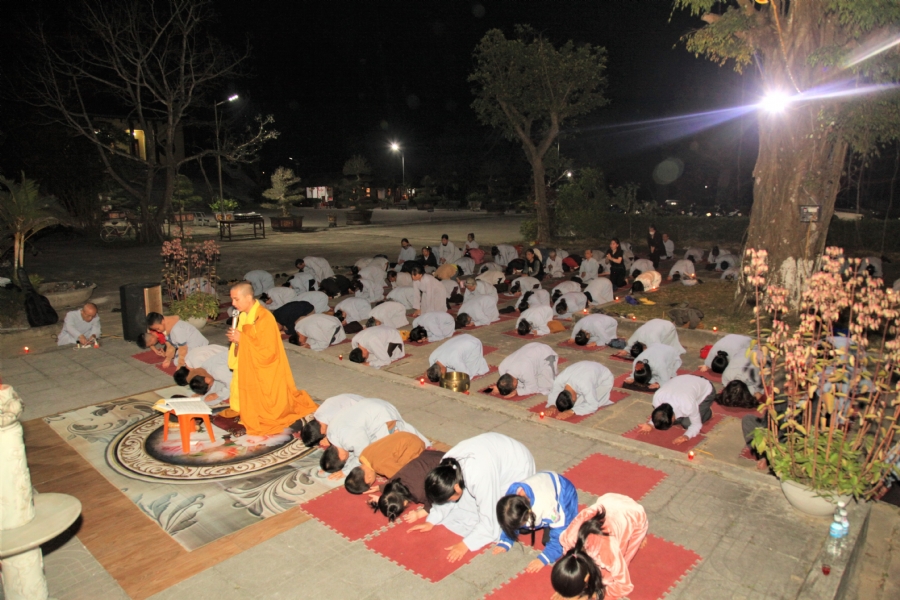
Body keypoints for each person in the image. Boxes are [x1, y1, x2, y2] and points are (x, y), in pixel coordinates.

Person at [410, 433, 535, 561]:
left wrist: (465, 544)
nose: (447, 501)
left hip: (517, 466)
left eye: (448, 499)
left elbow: (489, 518)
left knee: (501, 516)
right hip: (493, 455)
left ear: (457, 487)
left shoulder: (479, 475)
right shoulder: (445, 465)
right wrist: (432, 519)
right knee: (463, 506)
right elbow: (444, 493)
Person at [225, 282, 318, 435]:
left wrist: (243, 340)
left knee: (270, 411)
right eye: (232, 300)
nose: (233, 304)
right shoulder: (242, 316)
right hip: (248, 363)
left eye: (236, 299)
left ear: (248, 297)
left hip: (265, 367)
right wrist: (237, 341)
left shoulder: (265, 318)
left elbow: (268, 351)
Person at [552, 494, 649, 600]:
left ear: (587, 578)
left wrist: (600, 595)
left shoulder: (607, 552)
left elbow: (624, 585)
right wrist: (565, 589)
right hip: (607, 500)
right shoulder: (567, 539)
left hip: (633, 513)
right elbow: (570, 566)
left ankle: (641, 533)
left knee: (617, 567)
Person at [321, 396, 429, 478]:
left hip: (383, 415)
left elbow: (364, 454)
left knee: (380, 453)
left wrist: (345, 471)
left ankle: (416, 442)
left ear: (342, 457)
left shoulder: (348, 439)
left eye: (345, 460)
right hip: (371, 404)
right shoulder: (331, 432)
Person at [494, 471, 579, 572]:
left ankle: (547, 524)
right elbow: (509, 517)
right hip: (544, 484)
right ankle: (536, 524)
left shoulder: (546, 506)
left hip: (565, 493)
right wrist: (506, 539)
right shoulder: (511, 496)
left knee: (562, 538)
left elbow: (560, 534)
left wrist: (544, 558)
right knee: (520, 524)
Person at [370, 449, 446, 522]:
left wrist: (419, 514)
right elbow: (390, 483)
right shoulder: (398, 480)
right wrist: (383, 495)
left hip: (448, 467)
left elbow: (433, 501)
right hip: (432, 455)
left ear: (405, 503)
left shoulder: (418, 493)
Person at [637, 374, 715, 444]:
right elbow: (660, 413)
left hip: (706, 389)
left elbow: (696, 424)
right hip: (684, 381)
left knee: (687, 424)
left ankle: (708, 412)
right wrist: (651, 424)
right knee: (670, 421)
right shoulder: (657, 399)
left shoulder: (687, 405)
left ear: (672, 417)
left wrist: (687, 436)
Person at [345, 431, 426, 494]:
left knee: (409, 473)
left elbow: (401, 476)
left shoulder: (380, 466)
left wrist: (382, 487)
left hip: (415, 444)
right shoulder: (363, 455)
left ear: (369, 478)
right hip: (403, 435)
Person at [140, 312, 209, 368]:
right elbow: (171, 346)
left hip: (197, 346)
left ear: (163, 321)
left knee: (184, 362)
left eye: (158, 328)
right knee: (176, 361)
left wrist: (180, 365)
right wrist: (168, 359)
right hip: (188, 346)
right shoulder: (167, 328)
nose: (158, 331)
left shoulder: (177, 329)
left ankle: (204, 356)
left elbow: (183, 348)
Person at [489, 342, 559, 397]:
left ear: (514, 383)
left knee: (547, 387)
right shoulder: (501, 368)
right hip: (530, 348)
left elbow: (532, 388)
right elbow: (505, 383)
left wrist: (518, 392)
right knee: (525, 383)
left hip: (546, 355)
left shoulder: (525, 370)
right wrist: (500, 387)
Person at [548, 361, 615, 416]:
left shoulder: (584, 385)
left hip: (604, 379)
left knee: (580, 404)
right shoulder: (559, 379)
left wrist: (572, 411)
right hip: (586, 367)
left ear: (574, 398)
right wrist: (552, 405)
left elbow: (593, 405)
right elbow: (554, 392)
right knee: (578, 402)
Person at [299, 393, 364, 447]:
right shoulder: (318, 414)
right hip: (356, 400)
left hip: (364, 408)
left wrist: (330, 441)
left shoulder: (334, 421)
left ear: (322, 432)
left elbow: (347, 437)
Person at [426, 333, 491, 382]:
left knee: (472, 370)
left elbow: (466, 375)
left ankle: (481, 364)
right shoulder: (432, 357)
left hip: (473, 343)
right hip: (462, 337)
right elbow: (431, 371)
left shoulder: (453, 360)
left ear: (442, 370)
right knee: (452, 370)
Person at [616, 318, 686, 358]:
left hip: (668, 326)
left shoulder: (653, 340)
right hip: (654, 322)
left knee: (666, 346)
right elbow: (630, 344)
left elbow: (657, 350)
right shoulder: (636, 337)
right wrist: (625, 351)